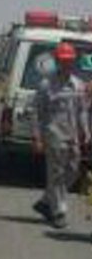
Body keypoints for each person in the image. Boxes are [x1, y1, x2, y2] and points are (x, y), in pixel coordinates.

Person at [33, 42, 89, 229]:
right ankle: (59, 212)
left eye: (69, 61)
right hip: (53, 135)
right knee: (56, 174)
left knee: (73, 171)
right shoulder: (46, 85)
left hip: (72, 135)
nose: (66, 64)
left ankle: (45, 201)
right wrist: (38, 137)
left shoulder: (77, 84)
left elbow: (81, 111)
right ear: (56, 61)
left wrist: (85, 133)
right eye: (63, 60)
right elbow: (38, 113)